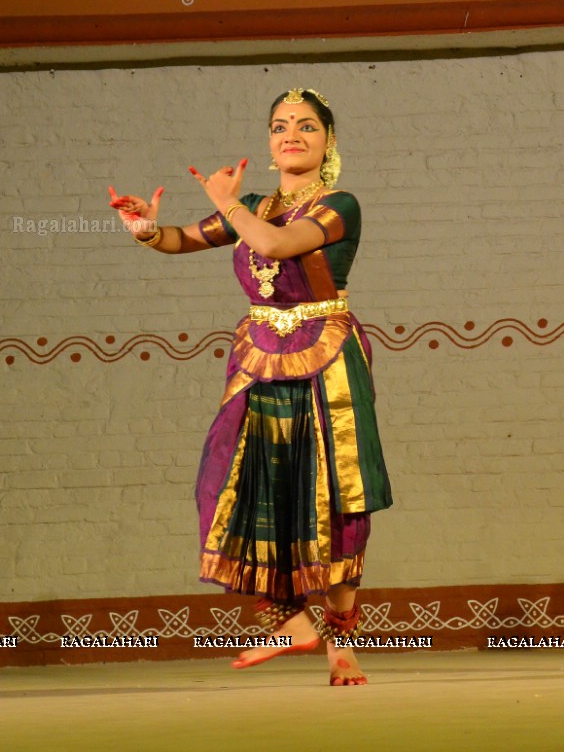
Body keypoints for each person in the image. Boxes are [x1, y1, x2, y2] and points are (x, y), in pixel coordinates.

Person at [109, 88, 392, 685]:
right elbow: (183, 239)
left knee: (332, 495)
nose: (291, 133)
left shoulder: (341, 204)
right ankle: (292, 620)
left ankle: (342, 647)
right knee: (241, 483)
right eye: (281, 125)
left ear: (328, 142)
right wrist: (144, 229)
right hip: (260, 355)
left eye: (307, 126)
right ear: (269, 142)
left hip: (325, 355)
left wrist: (228, 203)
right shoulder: (255, 203)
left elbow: (276, 244)